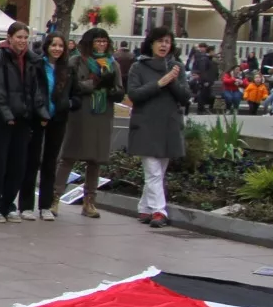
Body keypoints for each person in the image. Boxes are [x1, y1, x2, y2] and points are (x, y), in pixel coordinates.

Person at [0, 21, 43, 223]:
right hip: (3, 119)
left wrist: (38, 113)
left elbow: (35, 89)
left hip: (23, 118)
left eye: (25, 37)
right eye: (19, 37)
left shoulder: (32, 60)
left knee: (18, 165)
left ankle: (7, 204)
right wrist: (6, 114)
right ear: (9, 37)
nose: (22, 41)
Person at [127, 26, 191, 229]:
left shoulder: (176, 67)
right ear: (151, 43)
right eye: (160, 41)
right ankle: (159, 211)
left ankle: (145, 207)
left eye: (167, 41)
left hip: (169, 124)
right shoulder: (138, 67)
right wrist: (160, 83)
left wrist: (171, 80)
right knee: (153, 171)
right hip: (145, 124)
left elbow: (185, 97)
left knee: (158, 171)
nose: (164, 45)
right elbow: (134, 95)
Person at [60, 27, 124, 219]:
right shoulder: (76, 61)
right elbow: (71, 87)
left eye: (104, 41)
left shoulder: (113, 63)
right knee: (69, 155)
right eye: (97, 41)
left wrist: (112, 89)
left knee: (95, 159)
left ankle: (89, 201)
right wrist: (94, 83)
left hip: (102, 113)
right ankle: (54, 197)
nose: (102, 45)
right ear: (89, 43)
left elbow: (120, 90)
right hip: (81, 113)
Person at [19, 32, 73, 221]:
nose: (57, 49)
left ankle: (45, 205)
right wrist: (41, 113)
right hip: (37, 118)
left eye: (60, 46)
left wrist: (69, 104)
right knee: (32, 161)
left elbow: (74, 92)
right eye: (53, 45)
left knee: (50, 163)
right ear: (46, 47)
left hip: (58, 119)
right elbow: (33, 91)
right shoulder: (37, 65)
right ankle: (25, 206)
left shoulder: (66, 69)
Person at [187, 42, 216, 114]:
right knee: (201, 94)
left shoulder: (208, 59)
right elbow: (201, 69)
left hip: (206, 80)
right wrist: (202, 78)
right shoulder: (202, 58)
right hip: (202, 80)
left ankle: (202, 109)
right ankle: (200, 110)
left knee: (205, 94)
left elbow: (209, 70)